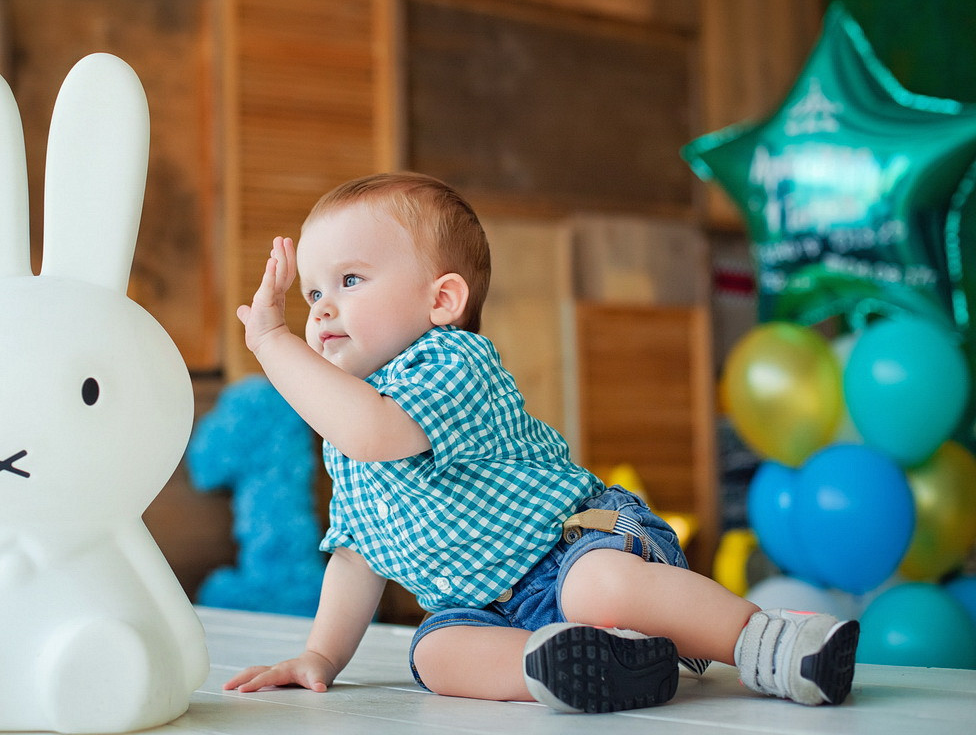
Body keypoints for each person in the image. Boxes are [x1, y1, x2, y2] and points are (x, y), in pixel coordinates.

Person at [225, 171, 858, 712]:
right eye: (312, 292)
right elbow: (356, 557)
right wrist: (320, 656)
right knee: (435, 655)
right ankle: (573, 663)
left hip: (572, 549)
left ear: (442, 299)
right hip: (488, 610)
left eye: (349, 281)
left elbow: (373, 431)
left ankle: (766, 642)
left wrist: (273, 342)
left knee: (596, 588)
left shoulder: (450, 362)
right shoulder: (345, 432)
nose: (320, 309)